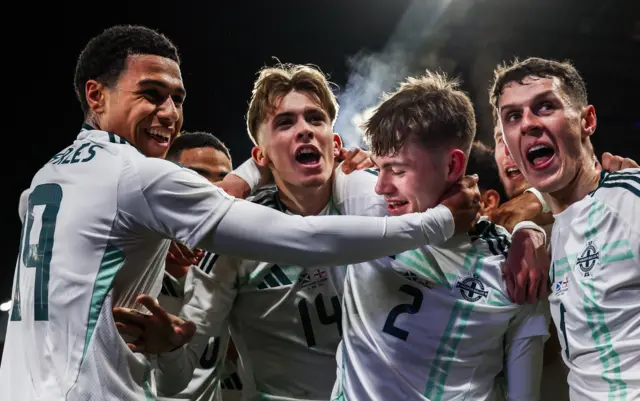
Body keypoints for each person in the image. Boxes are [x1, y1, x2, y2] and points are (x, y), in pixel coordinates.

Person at [0, 25, 482, 401]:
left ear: (336, 141)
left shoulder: (48, 178)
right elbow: (303, 238)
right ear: (96, 95)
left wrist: (526, 224)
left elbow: (486, 225)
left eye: (178, 99)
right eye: (151, 94)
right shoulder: (149, 186)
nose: (169, 112)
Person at [332, 71, 550, 400]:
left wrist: (531, 229)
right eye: (379, 167)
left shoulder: (514, 267)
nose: (381, 186)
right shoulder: (361, 199)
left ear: (452, 166)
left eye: (399, 170)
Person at [491, 56, 640, 401]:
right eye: (513, 116)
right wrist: (528, 229)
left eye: (544, 107)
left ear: (587, 120)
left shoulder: (629, 200)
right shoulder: (552, 232)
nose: (527, 124)